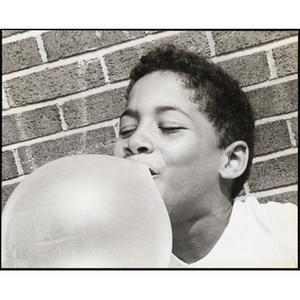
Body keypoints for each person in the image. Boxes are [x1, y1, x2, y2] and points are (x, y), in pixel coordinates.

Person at [113, 44, 297, 268]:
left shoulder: (284, 236)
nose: (134, 141)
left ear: (231, 161)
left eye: (169, 127)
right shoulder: (111, 259)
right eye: (127, 129)